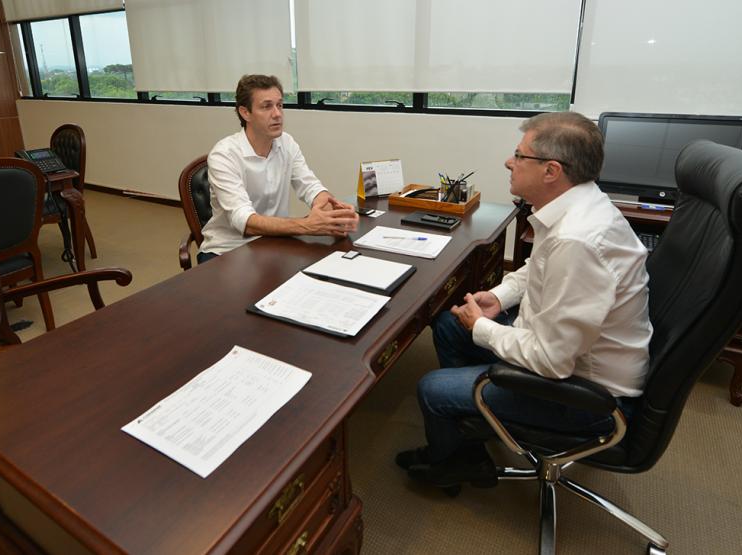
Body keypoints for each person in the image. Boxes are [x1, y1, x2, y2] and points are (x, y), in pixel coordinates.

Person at [397, 111, 652, 489]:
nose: (508, 162)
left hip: (589, 399)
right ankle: (471, 435)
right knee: (451, 325)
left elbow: (551, 361)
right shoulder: (578, 206)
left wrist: (483, 328)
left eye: (519, 155)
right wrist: (498, 299)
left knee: (432, 389)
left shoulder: (578, 241)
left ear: (551, 171)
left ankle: (449, 464)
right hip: (566, 357)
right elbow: (537, 268)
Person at [197, 74, 359, 263]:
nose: (277, 114)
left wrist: (331, 212)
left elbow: (310, 186)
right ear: (245, 112)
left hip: (275, 243)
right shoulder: (224, 155)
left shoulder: (287, 143)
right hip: (227, 251)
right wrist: (307, 225)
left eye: (280, 105)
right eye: (266, 106)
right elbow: (245, 221)